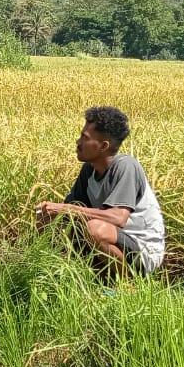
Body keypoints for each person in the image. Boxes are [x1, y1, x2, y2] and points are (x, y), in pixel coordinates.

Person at [35, 106, 166, 275]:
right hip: (114, 244)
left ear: (103, 146)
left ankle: (127, 286)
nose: (78, 142)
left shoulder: (126, 166)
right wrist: (47, 216)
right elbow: (71, 211)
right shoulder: (89, 170)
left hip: (142, 250)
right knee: (51, 219)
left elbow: (118, 218)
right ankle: (67, 276)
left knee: (95, 229)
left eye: (85, 138)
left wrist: (64, 208)